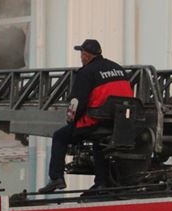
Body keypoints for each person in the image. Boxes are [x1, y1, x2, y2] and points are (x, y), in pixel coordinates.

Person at [40, 39, 133, 193]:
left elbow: (77, 103)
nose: (81, 58)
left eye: (82, 54)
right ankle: (101, 182)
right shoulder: (118, 69)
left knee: (60, 136)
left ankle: (56, 178)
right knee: (99, 141)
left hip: (97, 119)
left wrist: (72, 122)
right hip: (119, 122)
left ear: (86, 55)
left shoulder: (86, 72)